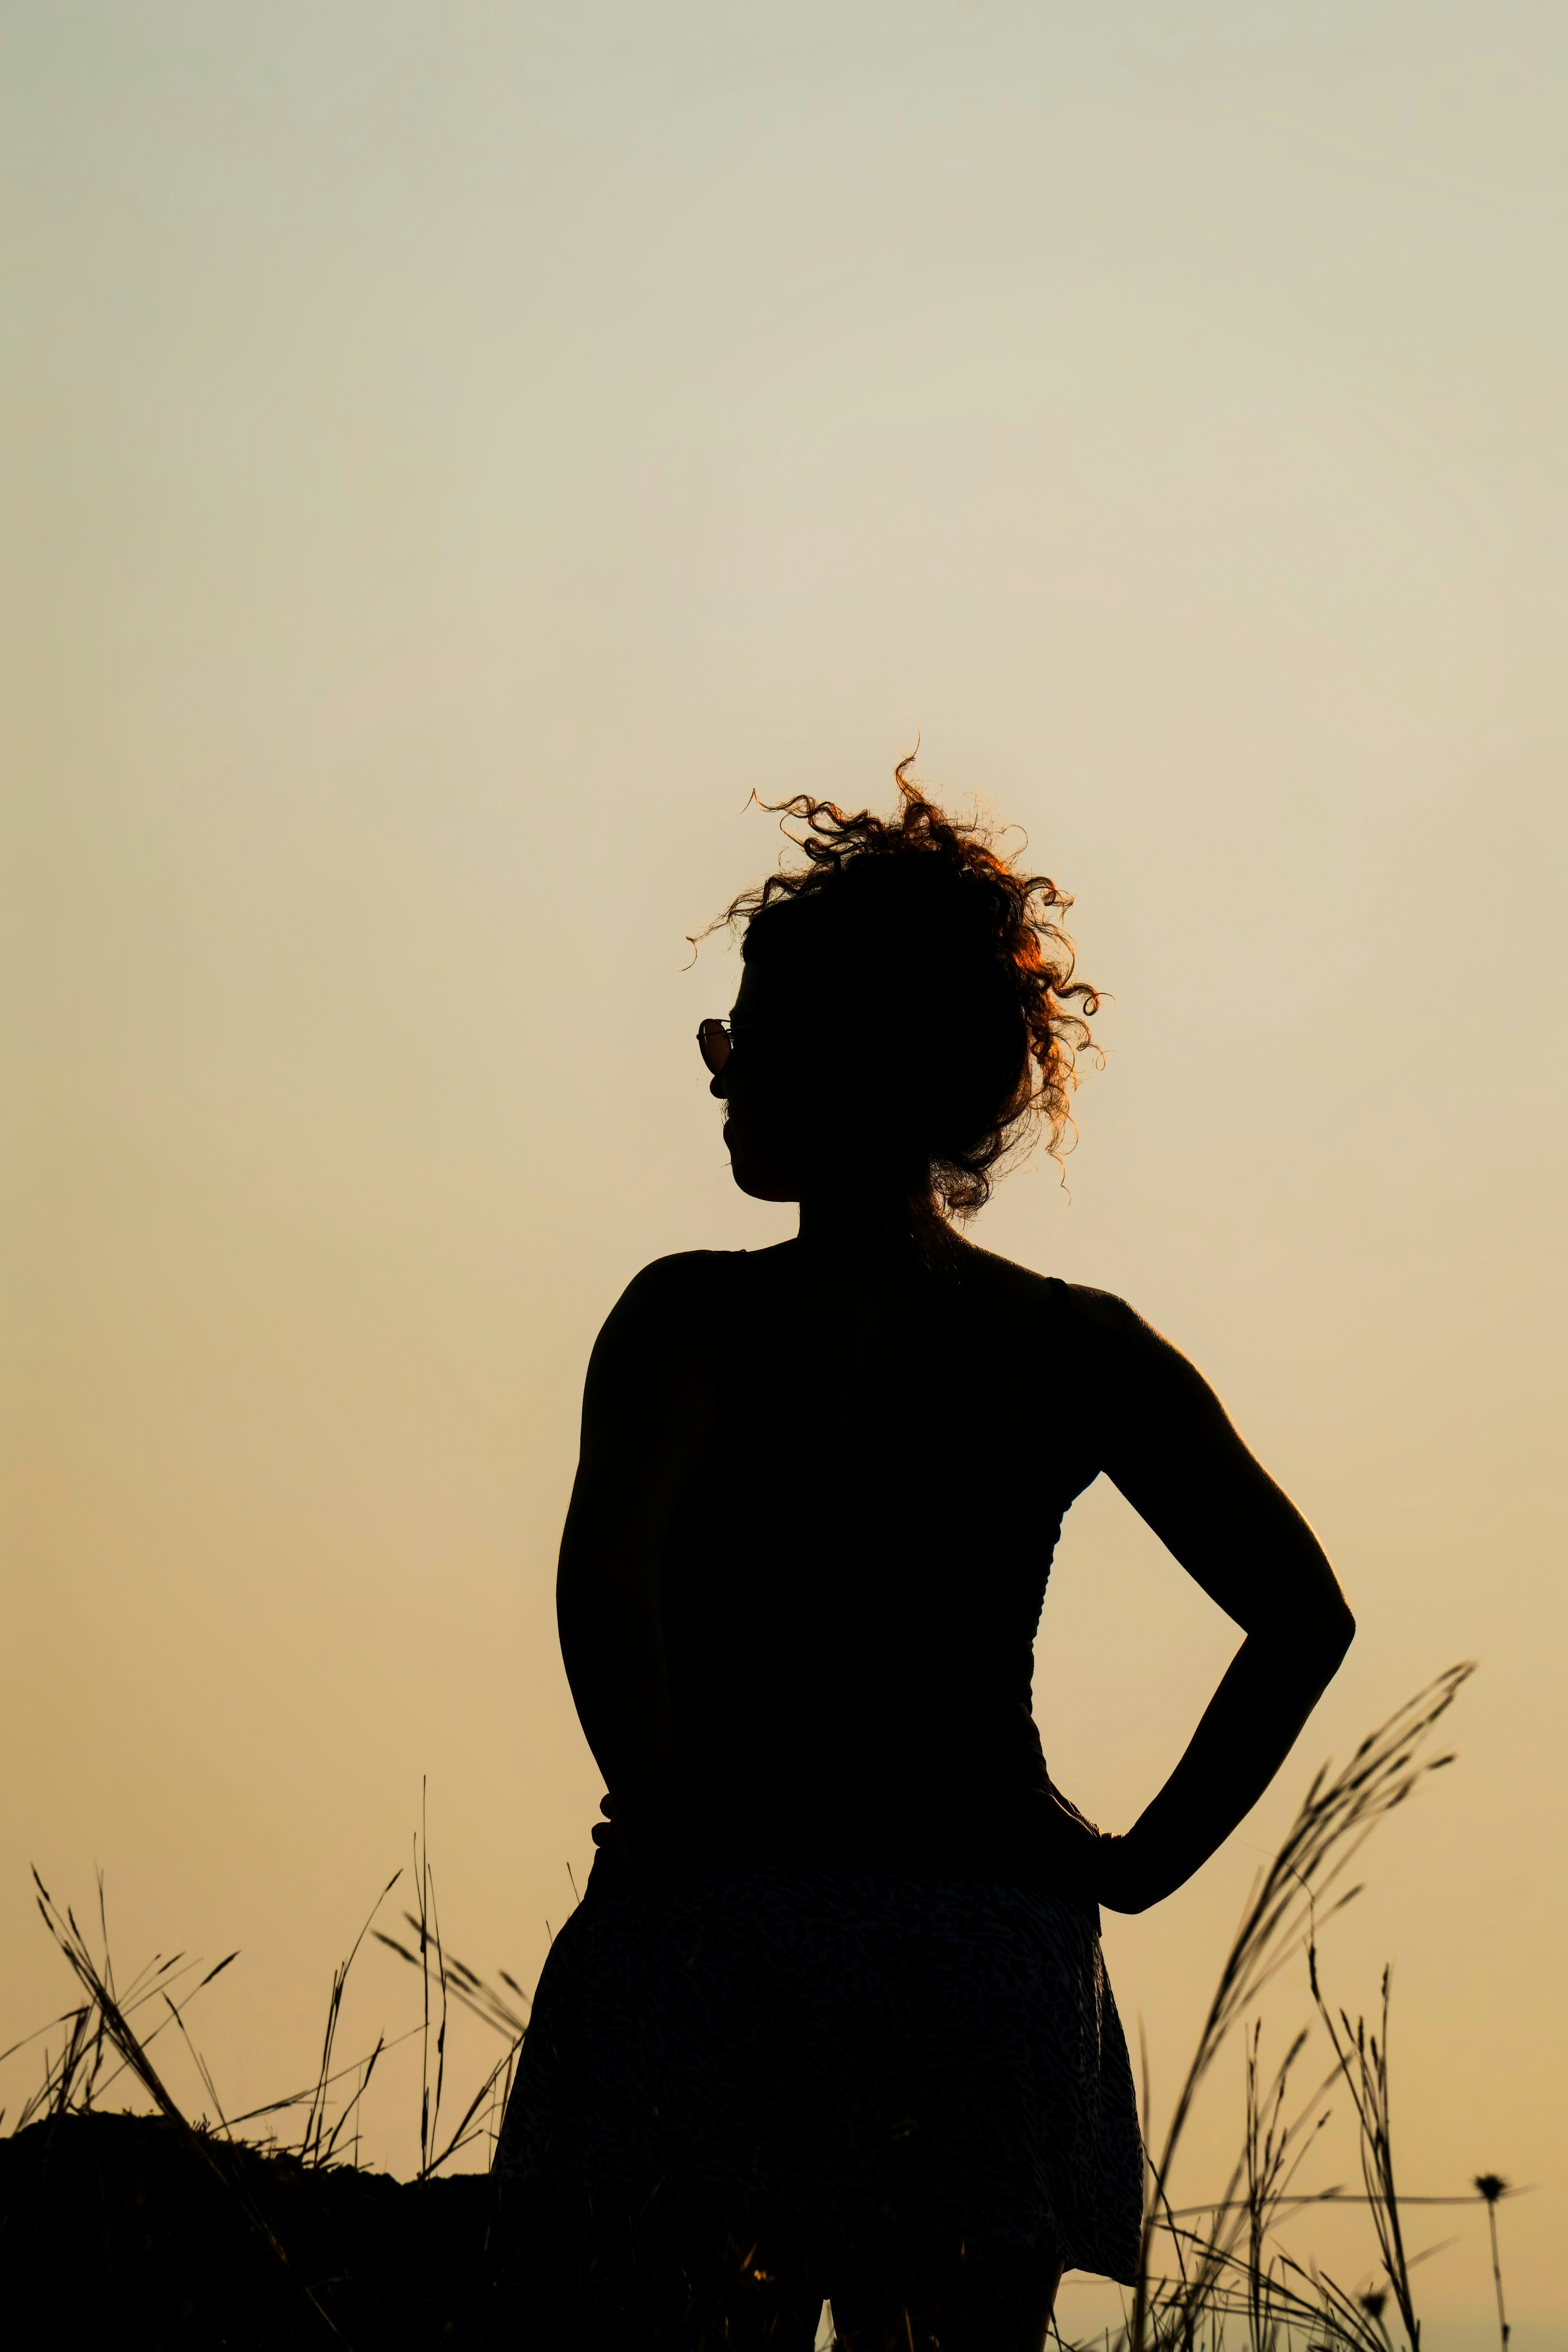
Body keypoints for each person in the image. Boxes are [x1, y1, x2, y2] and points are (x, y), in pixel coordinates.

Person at [494, 772, 1355, 2352]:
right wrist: (1133, 1862)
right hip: (980, 1951)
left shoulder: (690, 1321)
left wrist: (676, 1817)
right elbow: (1301, 1616)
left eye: (748, 1036)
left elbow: (608, 1575)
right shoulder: (1075, 1353)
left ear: (836, 1060)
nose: (723, 1080)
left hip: (718, 1926)